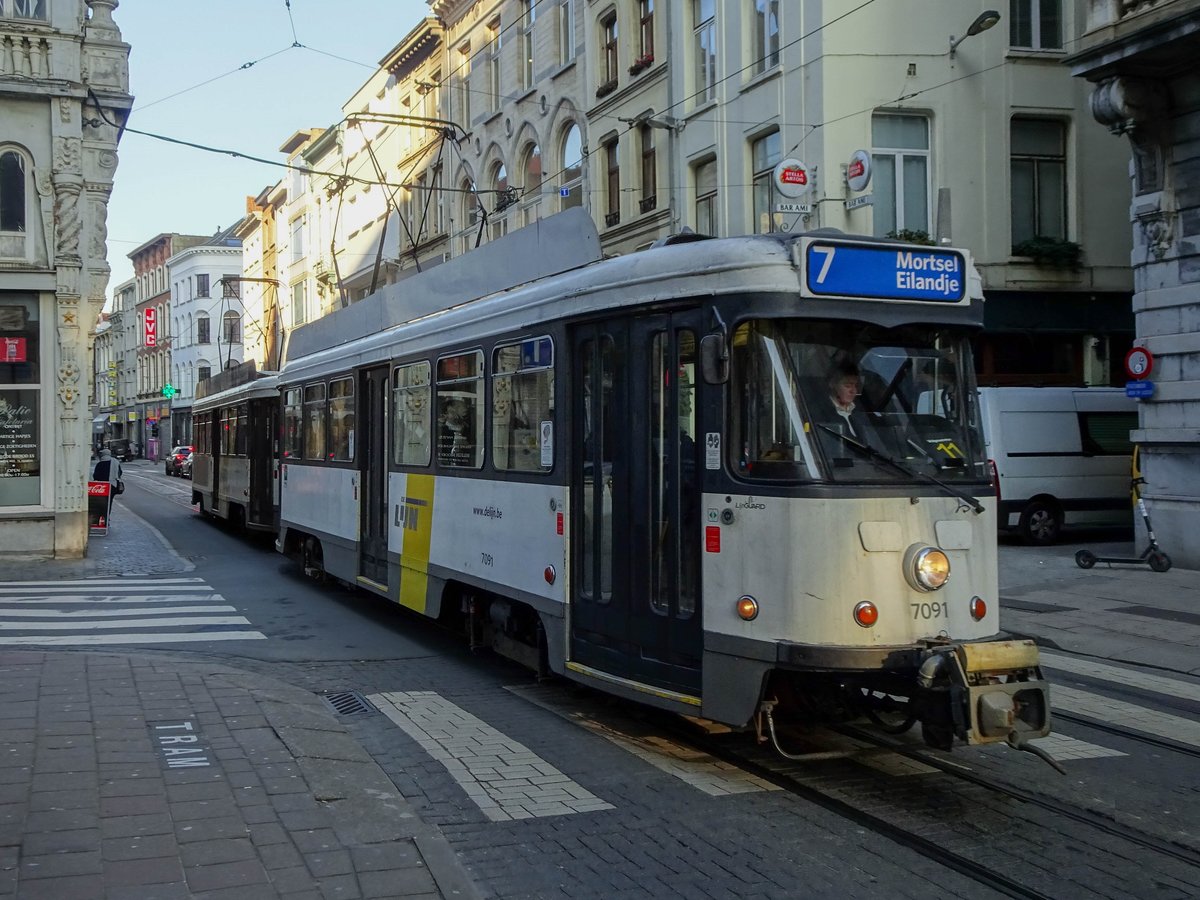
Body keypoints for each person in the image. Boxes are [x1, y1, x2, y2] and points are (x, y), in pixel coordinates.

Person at [92, 449, 123, 519]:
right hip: (113, 486)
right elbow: (120, 473)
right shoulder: (115, 462)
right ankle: (107, 517)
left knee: (101, 503)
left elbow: (95, 476)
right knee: (109, 502)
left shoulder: (100, 464)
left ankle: (102, 517)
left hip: (102, 486)